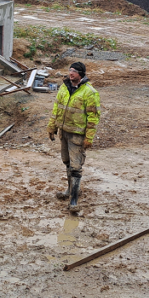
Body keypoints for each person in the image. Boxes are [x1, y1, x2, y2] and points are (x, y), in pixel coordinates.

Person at [47, 61, 101, 213]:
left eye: (74, 71)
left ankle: (74, 201)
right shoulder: (64, 87)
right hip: (64, 132)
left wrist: (89, 137)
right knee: (67, 162)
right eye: (70, 70)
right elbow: (57, 107)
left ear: (81, 74)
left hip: (77, 135)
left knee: (76, 167)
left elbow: (93, 117)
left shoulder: (90, 92)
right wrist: (52, 126)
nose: (71, 73)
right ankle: (69, 190)